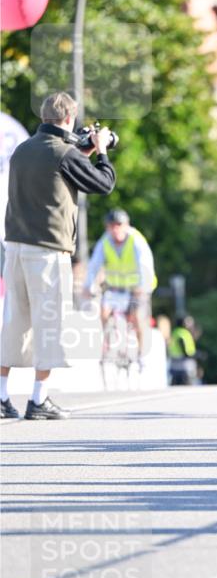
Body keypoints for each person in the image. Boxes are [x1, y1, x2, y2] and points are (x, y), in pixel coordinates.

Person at [0, 92, 115, 419]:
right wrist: (102, 151)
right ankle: (39, 400)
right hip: (48, 252)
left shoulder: (22, 151)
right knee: (49, 325)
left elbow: (52, 168)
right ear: (70, 118)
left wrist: (83, 151)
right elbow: (104, 183)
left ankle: (1, 396)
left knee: (14, 324)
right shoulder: (65, 155)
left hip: (15, 249)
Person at [83, 209, 155, 368]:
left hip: (136, 288)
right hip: (115, 288)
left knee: (137, 317)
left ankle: (141, 355)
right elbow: (94, 265)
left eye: (119, 225)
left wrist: (143, 286)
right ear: (107, 227)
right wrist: (87, 286)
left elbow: (145, 264)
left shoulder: (136, 240)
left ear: (126, 225)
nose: (115, 229)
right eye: (111, 226)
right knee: (103, 312)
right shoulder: (105, 242)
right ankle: (107, 346)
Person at [168, 315, 199, 385]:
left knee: (175, 385)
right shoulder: (183, 333)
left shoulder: (175, 331)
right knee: (186, 384)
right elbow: (184, 347)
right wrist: (195, 355)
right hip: (185, 364)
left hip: (174, 362)